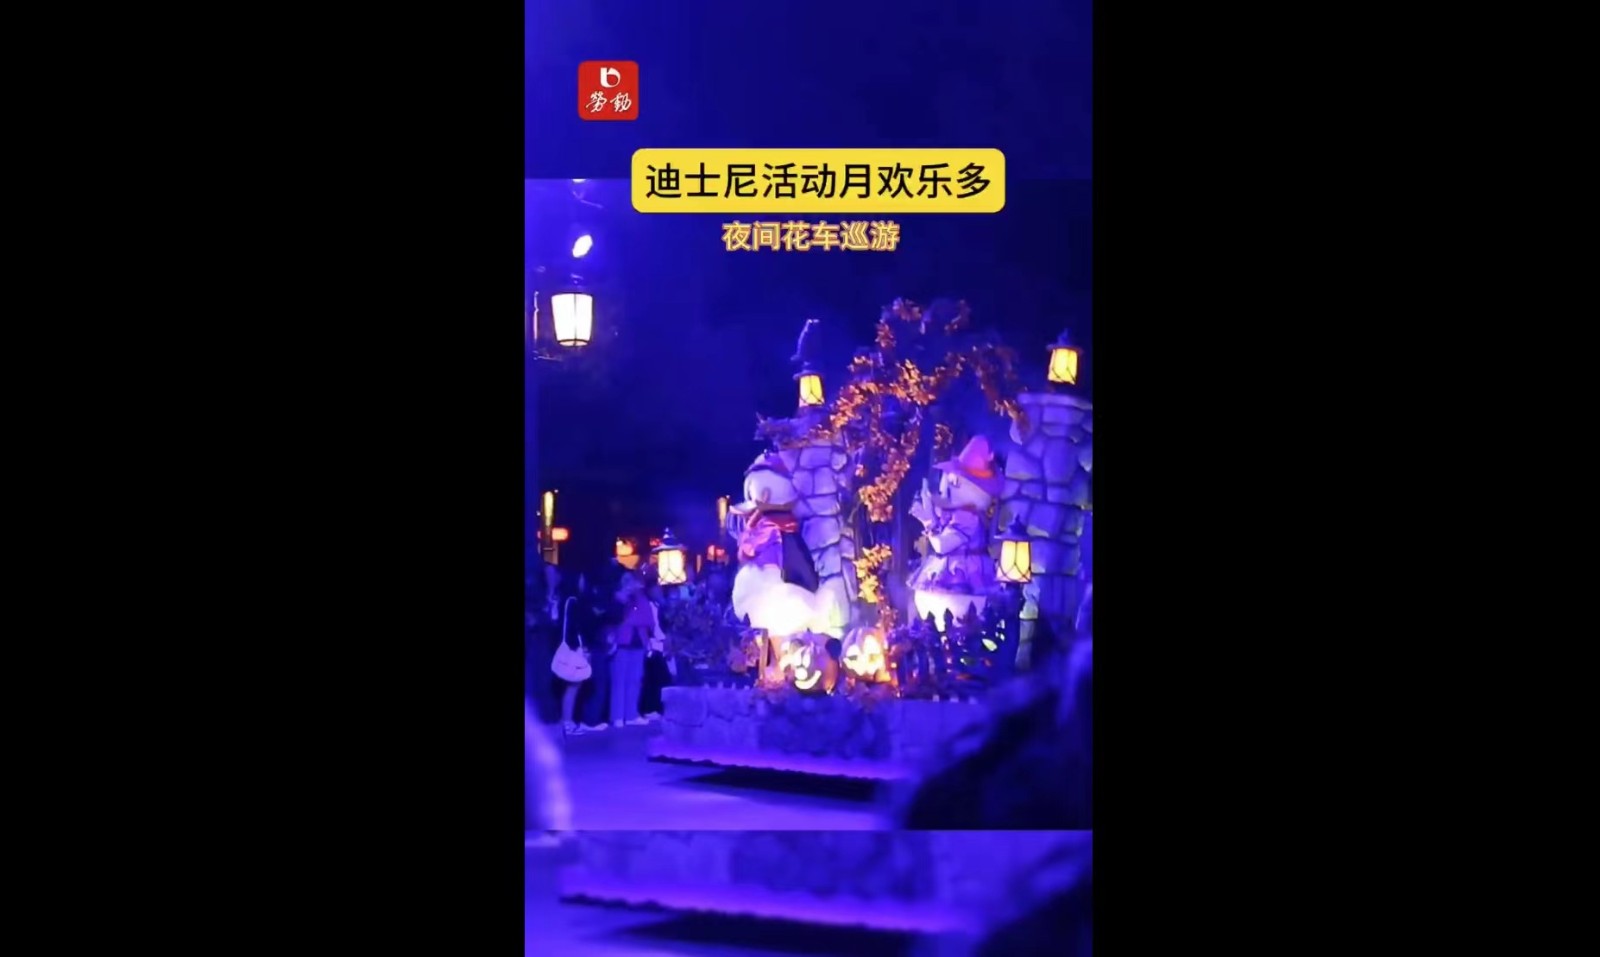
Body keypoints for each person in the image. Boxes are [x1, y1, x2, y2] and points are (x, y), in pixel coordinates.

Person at [552, 574, 597, 735]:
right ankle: (567, 722)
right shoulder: (572, 600)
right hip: (573, 648)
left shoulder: (564, 599)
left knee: (570, 686)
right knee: (572, 686)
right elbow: (573, 626)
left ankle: (566, 721)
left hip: (568, 646)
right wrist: (579, 646)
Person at [607, 572, 653, 727]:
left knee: (635, 680)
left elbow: (648, 620)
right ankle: (617, 716)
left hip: (638, 643)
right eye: (627, 581)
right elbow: (613, 619)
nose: (631, 585)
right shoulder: (617, 599)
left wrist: (631, 621)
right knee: (619, 681)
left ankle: (631, 715)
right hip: (621, 643)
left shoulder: (641, 599)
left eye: (633, 582)